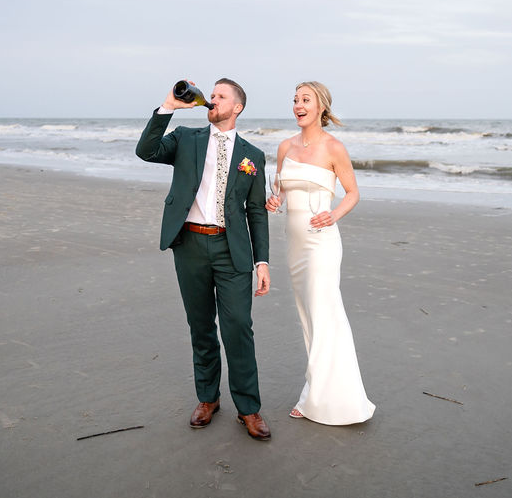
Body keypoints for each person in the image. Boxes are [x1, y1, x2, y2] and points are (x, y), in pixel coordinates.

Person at [136, 78, 273, 440]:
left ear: (237, 107)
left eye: (220, 96)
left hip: (233, 250)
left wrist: (263, 262)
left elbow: (257, 212)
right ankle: (208, 399)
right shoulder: (185, 138)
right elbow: (145, 151)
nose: (212, 100)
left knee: (238, 327)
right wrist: (168, 105)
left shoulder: (253, 156)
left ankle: (249, 407)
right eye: (210, 95)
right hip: (191, 245)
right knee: (201, 326)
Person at [265, 81, 375, 425]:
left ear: (321, 108)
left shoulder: (333, 148)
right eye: (295, 100)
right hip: (294, 243)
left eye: (305, 100)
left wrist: (334, 214)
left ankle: (330, 400)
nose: (298, 105)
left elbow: (353, 193)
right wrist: (275, 200)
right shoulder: (285, 147)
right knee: (308, 316)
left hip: (322, 241)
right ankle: (317, 390)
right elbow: (281, 191)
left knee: (325, 312)